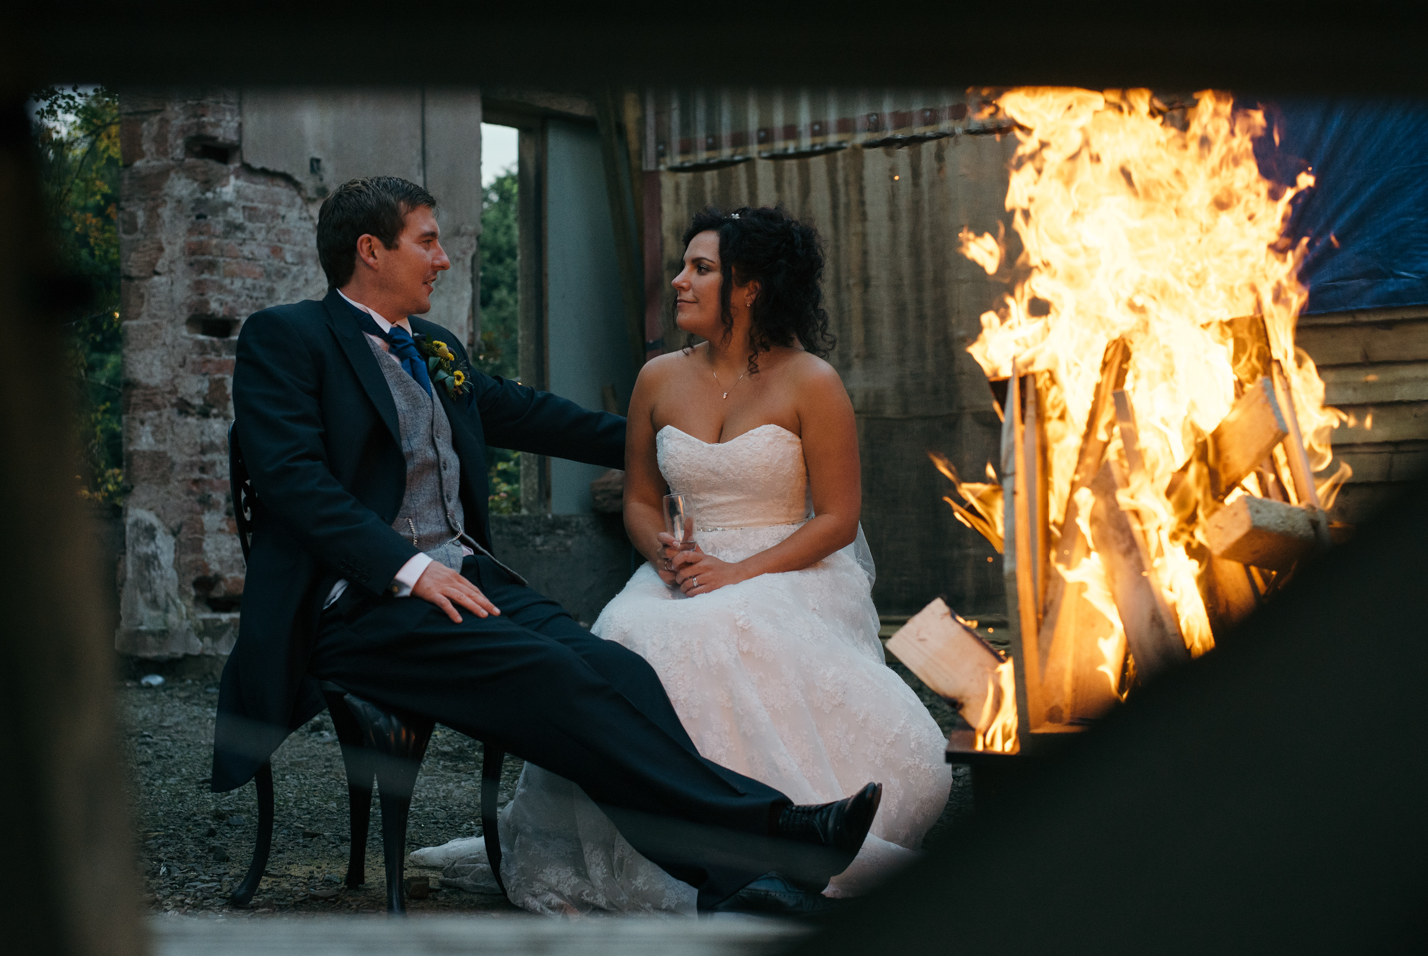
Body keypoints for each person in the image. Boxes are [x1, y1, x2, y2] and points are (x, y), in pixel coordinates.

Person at [210, 178, 882, 917]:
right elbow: (295, 483)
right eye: (427, 240)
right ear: (371, 251)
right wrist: (407, 570)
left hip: (466, 575)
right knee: (555, 676)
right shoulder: (288, 337)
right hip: (353, 604)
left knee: (616, 669)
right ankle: (776, 833)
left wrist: (671, 436)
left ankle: (744, 881)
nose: (442, 258)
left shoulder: (433, 349)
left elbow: (534, 416)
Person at [415, 205, 950, 914]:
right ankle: (717, 853)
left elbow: (837, 518)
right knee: (626, 639)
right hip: (680, 568)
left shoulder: (812, 382)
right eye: (683, 266)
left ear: (751, 287)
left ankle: (787, 827)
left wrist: (737, 572)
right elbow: (640, 499)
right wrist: (660, 551)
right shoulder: (658, 378)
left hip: (789, 565)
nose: (678, 281)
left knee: (725, 633)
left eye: (700, 269)